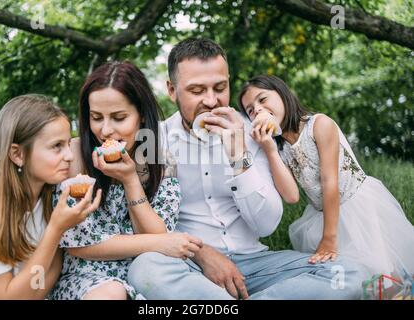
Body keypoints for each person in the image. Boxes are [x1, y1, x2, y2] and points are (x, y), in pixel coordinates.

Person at [127, 38, 366, 300]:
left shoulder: (253, 132)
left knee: (350, 273)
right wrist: (203, 254)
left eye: (220, 87)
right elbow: (146, 224)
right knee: (145, 268)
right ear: (172, 90)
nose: (211, 101)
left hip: (257, 263)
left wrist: (238, 154)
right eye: (196, 90)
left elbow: (266, 225)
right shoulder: (154, 140)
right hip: (190, 264)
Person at [48, 61, 203, 300]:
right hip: (88, 280)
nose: (105, 130)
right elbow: (78, 244)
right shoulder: (74, 155)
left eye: (119, 117)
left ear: (141, 115)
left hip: (147, 273)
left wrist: (131, 181)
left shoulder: (160, 160)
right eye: (96, 117)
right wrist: (157, 243)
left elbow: (160, 234)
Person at [237, 74, 414, 278]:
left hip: (356, 205)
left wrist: (329, 237)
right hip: (321, 213)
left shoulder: (319, 124)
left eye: (262, 99)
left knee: (380, 267)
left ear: (282, 94)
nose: (257, 109)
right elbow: (292, 196)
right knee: (346, 272)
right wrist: (269, 150)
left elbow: (330, 183)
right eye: (250, 110)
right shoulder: (279, 147)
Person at [0, 94, 101, 300]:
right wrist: (56, 229)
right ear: (18, 154)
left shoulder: (54, 195)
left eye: (67, 143)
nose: (69, 155)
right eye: (57, 146)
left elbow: (53, 269)